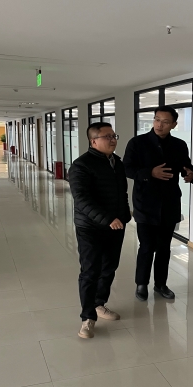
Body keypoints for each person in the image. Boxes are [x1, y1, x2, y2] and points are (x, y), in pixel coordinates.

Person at [124, 105, 193, 301]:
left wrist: (190, 173)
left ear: (174, 124)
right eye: (157, 119)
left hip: (170, 203)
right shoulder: (137, 143)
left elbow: (186, 165)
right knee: (147, 246)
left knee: (164, 247)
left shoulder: (179, 145)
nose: (159, 125)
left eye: (165, 122)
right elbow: (127, 168)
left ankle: (161, 284)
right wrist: (150, 172)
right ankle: (141, 284)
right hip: (145, 203)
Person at [69, 122, 131, 339]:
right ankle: (87, 318)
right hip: (90, 227)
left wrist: (124, 215)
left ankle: (99, 303)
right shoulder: (81, 165)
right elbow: (81, 198)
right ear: (93, 141)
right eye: (107, 137)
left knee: (109, 267)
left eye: (114, 135)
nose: (113, 140)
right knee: (90, 271)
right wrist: (107, 219)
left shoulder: (117, 163)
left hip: (116, 225)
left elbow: (122, 193)